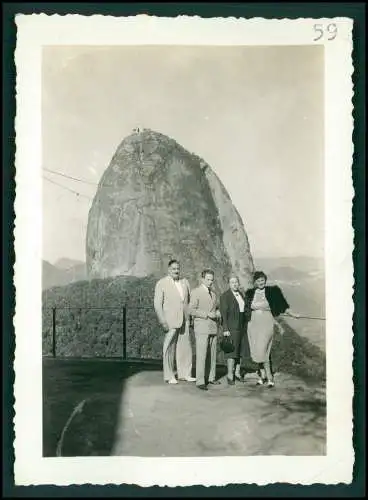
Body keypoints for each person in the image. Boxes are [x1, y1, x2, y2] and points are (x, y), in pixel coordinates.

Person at [245, 270, 300, 388]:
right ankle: (261, 376)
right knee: (256, 352)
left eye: (262, 280)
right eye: (258, 280)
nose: (261, 282)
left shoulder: (272, 291)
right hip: (253, 325)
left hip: (266, 324)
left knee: (263, 349)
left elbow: (283, 305)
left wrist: (293, 314)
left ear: (265, 280)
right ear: (255, 282)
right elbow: (245, 309)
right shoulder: (250, 293)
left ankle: (269, 378)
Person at [154, 259, 196, 384]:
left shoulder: (185, 282)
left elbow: (189, 301)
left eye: (178, 268)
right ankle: (169, 375)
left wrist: (190, 317)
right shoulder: (161, 283)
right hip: (170, 320)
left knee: (185, 347)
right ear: (168, 270)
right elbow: (157, 304)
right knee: (169, 348)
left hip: (185, 319)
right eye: (173, 269)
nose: (176, 271)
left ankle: (185, 374)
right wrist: (162, 321)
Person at [189, 269, 221, 391]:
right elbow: (191, 310)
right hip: (202, 327)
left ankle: (211, 377)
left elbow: (216, 308)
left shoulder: (213, 294)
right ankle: (200, 381)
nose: (210, 282)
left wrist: (217, 312)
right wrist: (207, 314)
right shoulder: (196, 292)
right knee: (202, 354)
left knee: (212, 354)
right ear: (202, 279)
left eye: (212, 280)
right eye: (208, 279)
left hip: (213, 327)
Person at [219, 275, 249, 385]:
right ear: (229, 284)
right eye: (232, 282)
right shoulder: (225, 296)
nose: (235, 284)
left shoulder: (241, 294)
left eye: (236, 282)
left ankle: (237, 373)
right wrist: (225, 329)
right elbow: (223, 314)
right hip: (232, 327)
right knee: (231, 352)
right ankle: (230, 375)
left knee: (240, 351)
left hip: (241, 327)